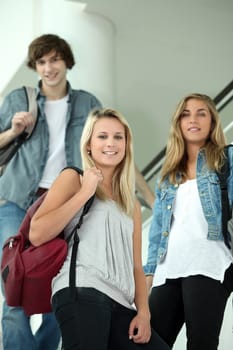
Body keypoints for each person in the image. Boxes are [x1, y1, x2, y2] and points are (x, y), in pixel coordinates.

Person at [29, 108, 170, 350]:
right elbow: (37, 232)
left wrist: (144, 313)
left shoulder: (132, 205)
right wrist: (85, 192)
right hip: (81, 290)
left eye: (118, 137)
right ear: (89, 145)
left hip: (121, 302)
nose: (111, 143)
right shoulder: (74, 178)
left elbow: (136, 266)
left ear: (126, 145)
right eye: (102, 136)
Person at [0, 33, 101, 350]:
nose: (49, 67)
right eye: (42, 62)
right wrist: (13, 131)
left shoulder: (88, 103)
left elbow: (104, 150)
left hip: (62, 204)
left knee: (59, 289)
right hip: (16, 201)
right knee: (13, 286)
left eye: (54, 59)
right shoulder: (20, 99)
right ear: (35, 66)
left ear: (66, 61)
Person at [144, 93, 233, 350]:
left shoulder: (227, 160)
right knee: (150, 342)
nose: (193, 119)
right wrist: (150, 271)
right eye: (186, 113)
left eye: (201, 113)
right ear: (178, 123)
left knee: (200, 344)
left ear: (213, 121)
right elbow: (159, 229)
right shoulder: (169, 175)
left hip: (210, 264)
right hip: (169, 268)